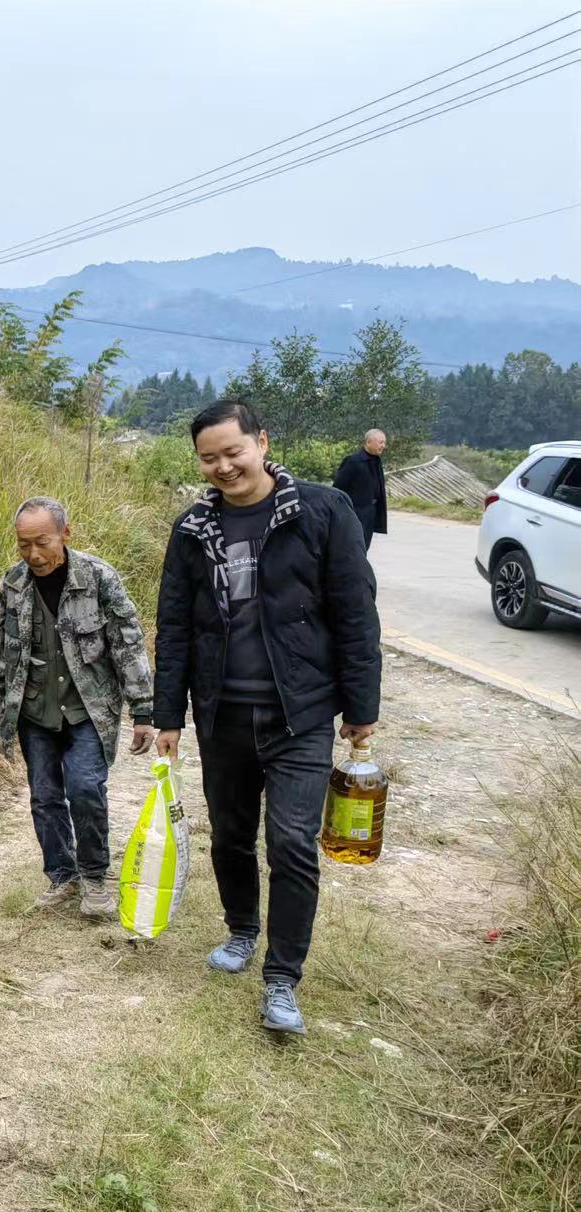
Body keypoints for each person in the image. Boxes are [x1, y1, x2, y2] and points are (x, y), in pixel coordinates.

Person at [154, 400, 380, 1036]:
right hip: (221, 713)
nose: (224, 466)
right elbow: (174, 625)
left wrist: (361, 707)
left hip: (298, 714)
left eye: (234, 452)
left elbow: (356, 612)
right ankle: (241, 930)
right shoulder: (192, 528)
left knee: (291, 843)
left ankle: (282, 977)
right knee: (230, 836)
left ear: (261, 442)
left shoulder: (321, 511)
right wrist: (167, 714)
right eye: (209, 458)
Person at [0, 496, 156, 918]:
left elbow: (128, 645)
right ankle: (62, 875)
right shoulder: (12, 585)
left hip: (88, 711)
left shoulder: (99, 578)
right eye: (23, 544)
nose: (33, 554)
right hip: (34, 712)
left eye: (42, 542)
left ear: (65, 533)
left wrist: (143, 710)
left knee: (84, 789)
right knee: (44, 797)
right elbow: (0, 653)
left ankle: (95, 877)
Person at [332, 429, 389, 551]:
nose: (383, 446)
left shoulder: (376, 461)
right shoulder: (353, 461)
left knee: (364, 547)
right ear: (368, 442)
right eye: (380, 442)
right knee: (353, 548)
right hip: (355, 513)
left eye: (384, 443)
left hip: (370, 513)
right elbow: (338, 489)